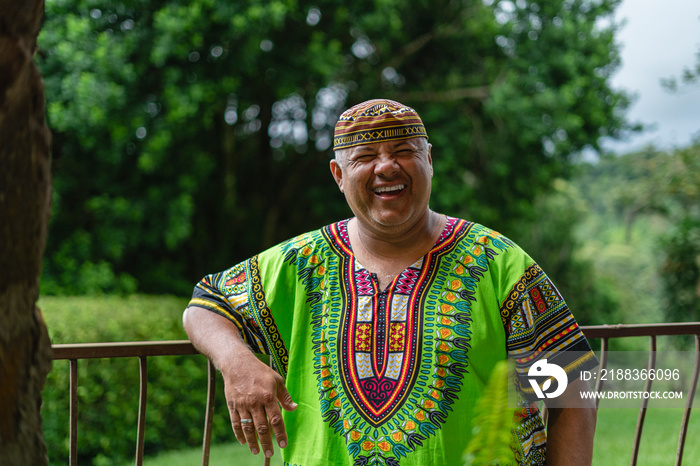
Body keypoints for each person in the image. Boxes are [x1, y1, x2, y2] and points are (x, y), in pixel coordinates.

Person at [183, 99, 598, 465]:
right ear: (338, 175)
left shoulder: (496, 261)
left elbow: (574, 386)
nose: (387, 166)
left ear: (429, 160)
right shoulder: (299, 262)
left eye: (404, 151)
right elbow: (205, 306)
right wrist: (235, 362)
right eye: (365, 156)